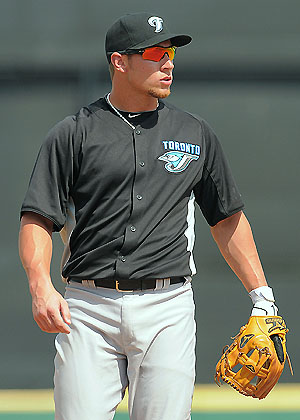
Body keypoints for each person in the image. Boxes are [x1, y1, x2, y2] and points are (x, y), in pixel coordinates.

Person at [19, 12, 278, 420]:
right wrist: (40, 286)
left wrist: (262, 298)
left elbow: (227, 218)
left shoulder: (195, 133)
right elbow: (38, 217)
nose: (169, 62)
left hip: (167, 306)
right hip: (88, 307)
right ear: (119, 61)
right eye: (156, 52)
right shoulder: (73, 133)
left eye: (171, 52)